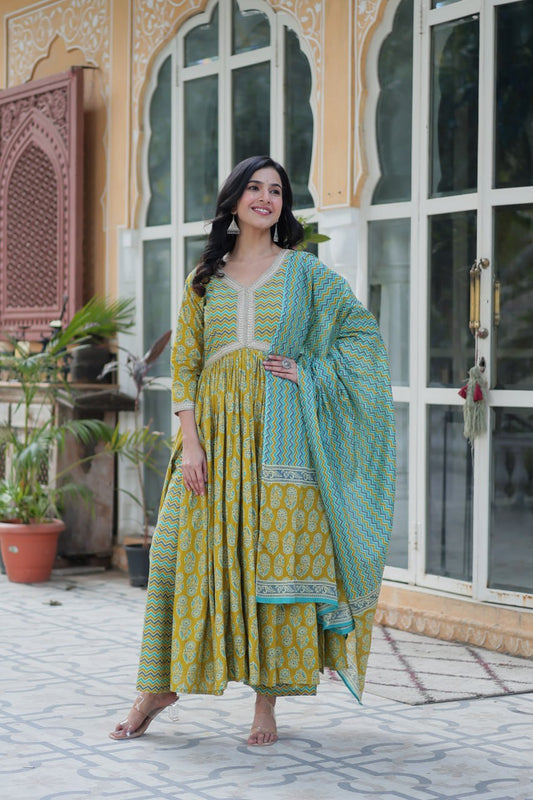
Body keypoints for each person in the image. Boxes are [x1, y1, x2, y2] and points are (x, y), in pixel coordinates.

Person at [110, 155, 395, 746]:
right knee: (173, 557)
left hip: (279, 435)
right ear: (234, 199)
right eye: (255, 188)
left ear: (283, 205)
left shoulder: (304, 275)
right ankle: (156, 688)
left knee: (272, 561)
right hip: (211, 440)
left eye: (276, 191)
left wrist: (310, 369)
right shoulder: (204, 278)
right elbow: (185, 366)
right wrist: (190, 443)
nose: (266, 198)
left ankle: (266, 703)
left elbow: (361, 335)